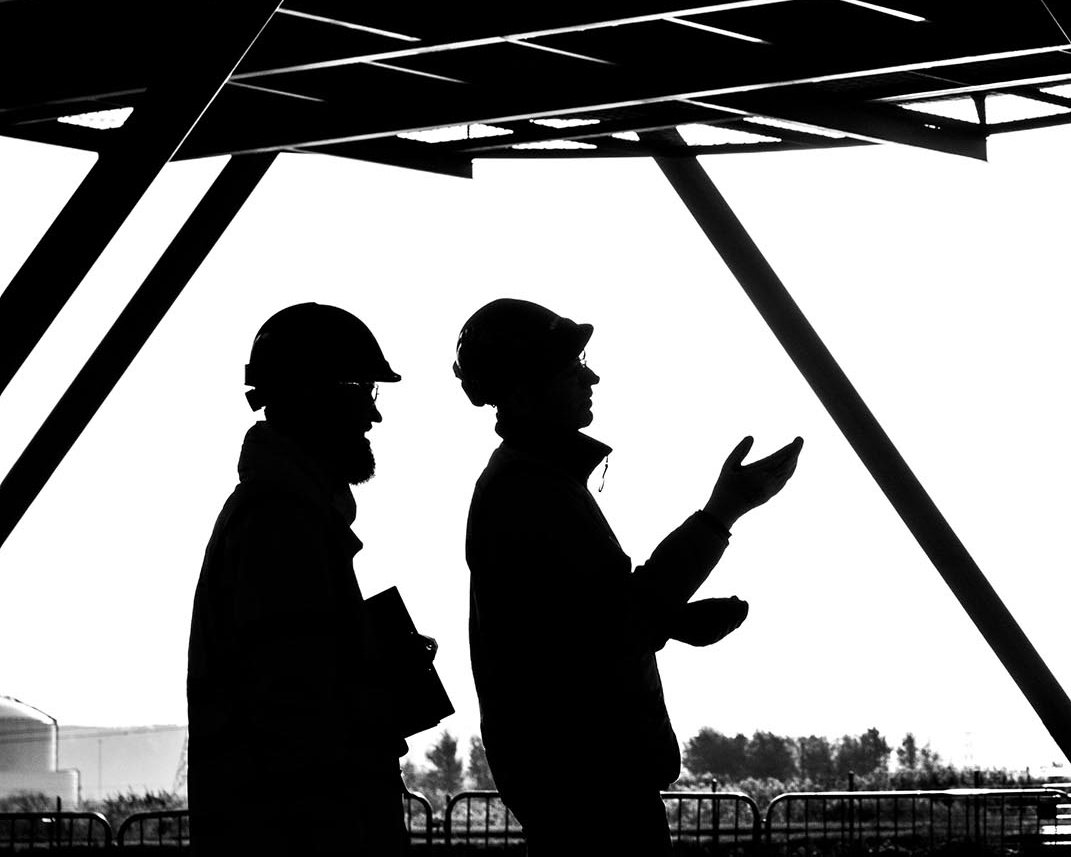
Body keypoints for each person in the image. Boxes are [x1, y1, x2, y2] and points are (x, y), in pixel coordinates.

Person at [455, 298, 801, 854]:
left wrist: (670, 622)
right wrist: (723, 512)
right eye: (570, 368)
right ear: (522, 392)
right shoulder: (530, 490)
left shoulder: (529, 483)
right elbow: (615, 622)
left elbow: (582, 622)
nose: (589, 377)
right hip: (592, 792)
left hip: (583, 786)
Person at [187, 303, 411, 855]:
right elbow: (297, 721)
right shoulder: (280, 524)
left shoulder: (290, 516)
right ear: (315, 395)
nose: (373, 415)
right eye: (363, 390)